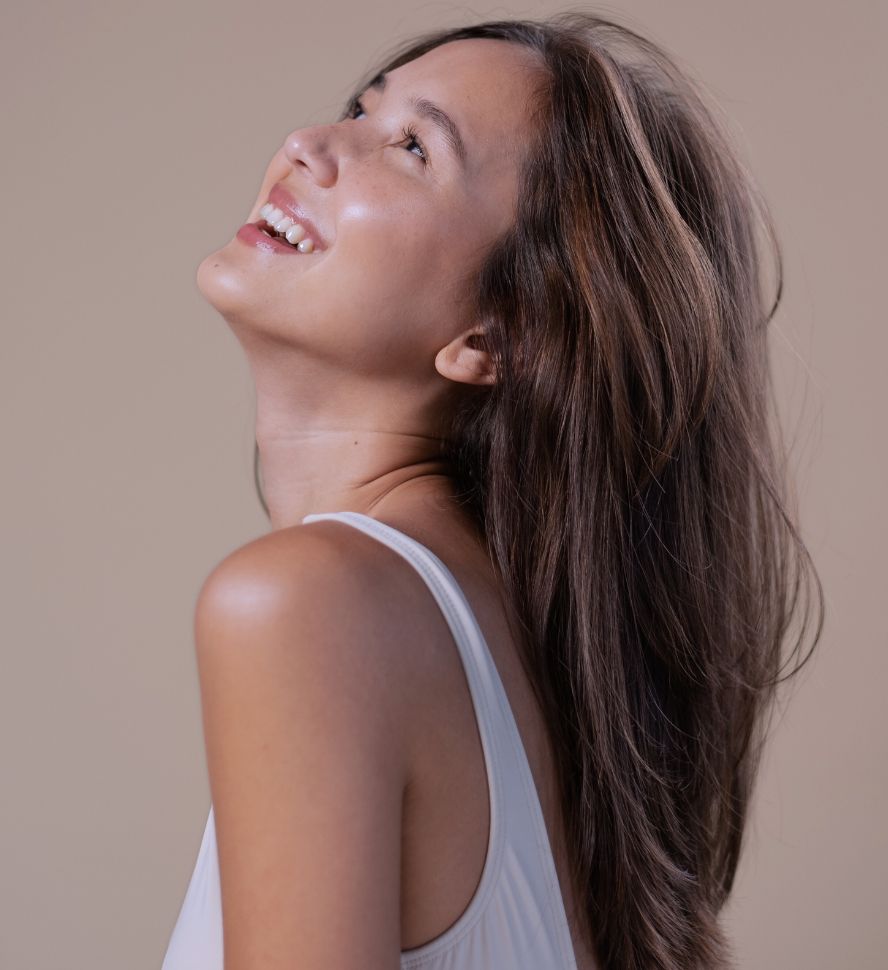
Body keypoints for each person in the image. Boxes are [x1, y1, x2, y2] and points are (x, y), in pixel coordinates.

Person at [162, 11, 824, 970]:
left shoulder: (307, 605)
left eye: (413, 147)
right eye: (362, 109)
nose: (308, 143)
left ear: (494, 337)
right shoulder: (511, 650)